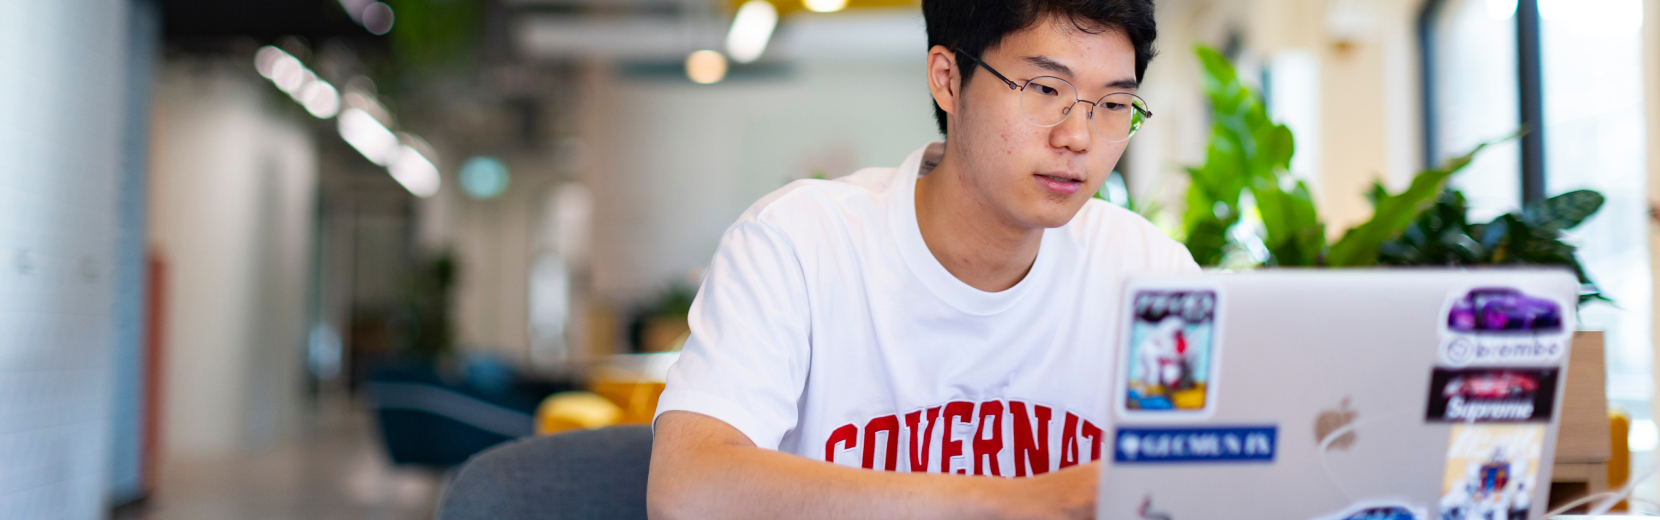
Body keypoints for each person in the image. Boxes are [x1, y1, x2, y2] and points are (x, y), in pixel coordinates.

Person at [647, 0, 1195, 518]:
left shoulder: (1148, 275)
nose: (1079, 137)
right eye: (1046, 88)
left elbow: (1197, 480)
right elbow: (687, 490)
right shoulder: (799, 245)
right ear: (948, 79)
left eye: (1115, 105)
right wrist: (1014, 503)